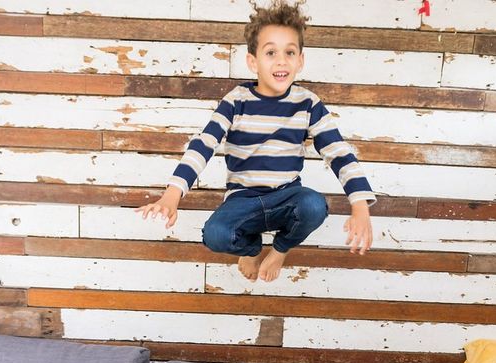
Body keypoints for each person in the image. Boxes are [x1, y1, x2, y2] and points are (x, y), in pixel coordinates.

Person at [136, 0, 376, 282]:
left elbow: (338, 152)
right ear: (253, 61)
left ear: (300, 60)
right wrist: (172, 194)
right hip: (243, 200)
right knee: (215, 235)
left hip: (286, 196)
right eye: (271, 52)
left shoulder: (308, 104)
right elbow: (204, 144)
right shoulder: (236, 101)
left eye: (290, 52)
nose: (281, 61)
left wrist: (359, 206)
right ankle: (251, 249)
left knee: (313, 205)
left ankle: (280, 248)